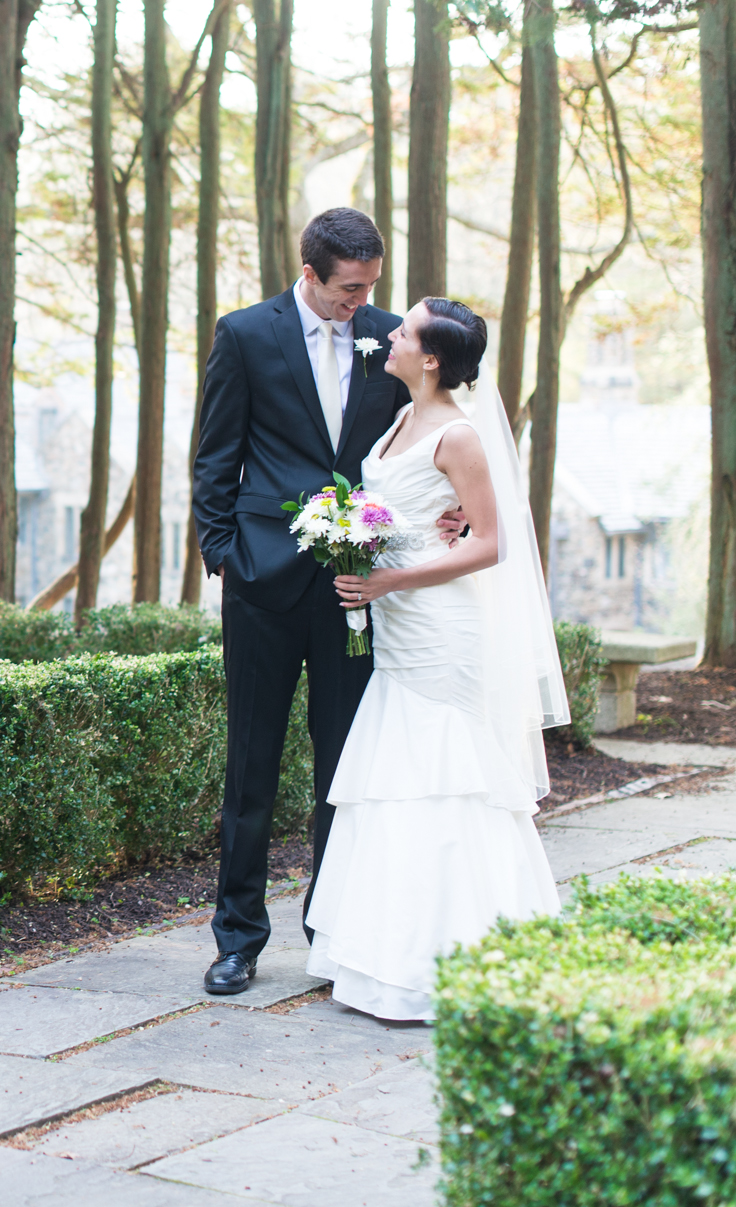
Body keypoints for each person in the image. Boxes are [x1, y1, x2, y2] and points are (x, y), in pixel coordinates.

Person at [303, 298, 563, 1020]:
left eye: (405, 331)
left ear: (433, 358)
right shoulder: (399, 418)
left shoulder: (460, 434)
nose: (389, 334)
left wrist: (386, 576)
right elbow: (417, 512)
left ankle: (466, 957)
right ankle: (389, 953)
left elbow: (491, 542)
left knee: (446, 778)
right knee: (396, 779)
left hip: (442, 631)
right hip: (397, 627)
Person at [191, 208, 420, 996]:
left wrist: (440, 511)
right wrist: (222, 552)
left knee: (343, 765)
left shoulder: (389, 337)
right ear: (312, 270)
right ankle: (237, 938)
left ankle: (331, 929)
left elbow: (415, 441)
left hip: (357, 584)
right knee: (251, 764)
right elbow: (216, 452)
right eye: (349, 288)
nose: (362, 303)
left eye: (370, 288)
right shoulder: (247, 334)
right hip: (261, 580)